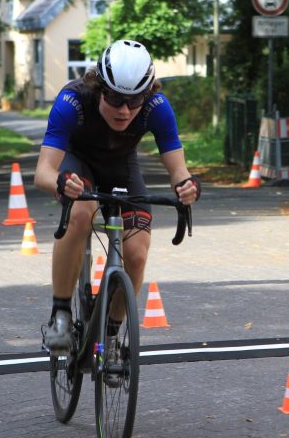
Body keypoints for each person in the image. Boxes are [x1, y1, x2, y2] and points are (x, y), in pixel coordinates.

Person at [35, 39, 200, 351]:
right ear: (100, 88)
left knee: (136, 254)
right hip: (76, 164)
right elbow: (43, 171)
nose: (124, 110)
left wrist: (187, 186)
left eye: (134, 100)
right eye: (115, 98)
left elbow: (179, 171)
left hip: (121, 168)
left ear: (147, 93)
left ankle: (110, 334)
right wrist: (61, 183)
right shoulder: (72, 101)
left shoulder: (157, 107)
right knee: (81, 213)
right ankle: (61, 316)